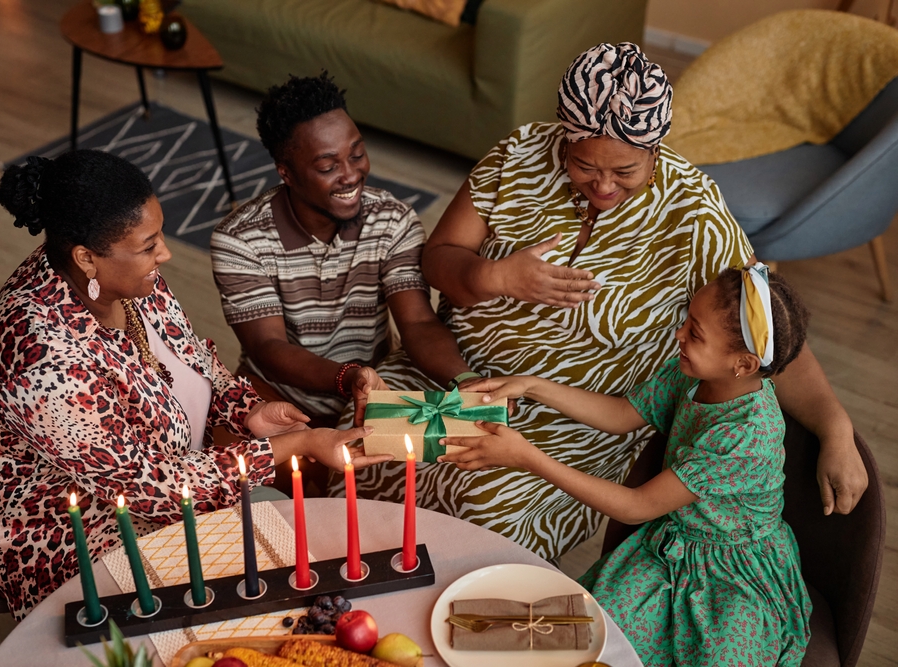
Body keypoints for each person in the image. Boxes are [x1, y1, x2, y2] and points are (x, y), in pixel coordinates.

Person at [346, 42, 868, 561]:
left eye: (624, 172)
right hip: (455, 376)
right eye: (583, 165)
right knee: (362, 447)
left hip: (575, 424)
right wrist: (496, 276)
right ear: (564, 139)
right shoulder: (519, 155)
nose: (602, 186)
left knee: (479, 502)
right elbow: (438, 258)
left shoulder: (695, 215)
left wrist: (835, 427)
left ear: (656, 151)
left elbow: (763, 334)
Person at [0, 150, 387, 620]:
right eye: (149, 245)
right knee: (208, 597)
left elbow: (194, 360)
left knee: (265, 558)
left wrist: (244, 410)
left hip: (146, 475)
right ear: (87, 258)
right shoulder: (36, 355)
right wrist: (296, 445)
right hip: (39, 515)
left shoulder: (129, 278)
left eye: (159, 236)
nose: (164, 254)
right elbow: (146, 484)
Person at [440, 266, 812, 666]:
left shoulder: (746, 434)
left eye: (695, 333)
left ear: (743, 365)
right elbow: (619, 414)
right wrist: (532, 385)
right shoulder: (688, 375)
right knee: (590, 637)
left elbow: (636, 506)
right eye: (687, 320)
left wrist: (526, 457)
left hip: (732, 572)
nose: (679, 335)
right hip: (673, 545)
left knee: (719, 655)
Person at [210, 72, 475, 429]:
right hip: (274, 395)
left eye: (357, 154)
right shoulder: (239, 241)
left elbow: (418, 323)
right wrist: (347, 377)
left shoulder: (392, 220)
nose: (351, 175)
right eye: (327, 166)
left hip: (374, 389)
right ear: (286, 173)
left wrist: (465, 381)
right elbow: (268, 349)